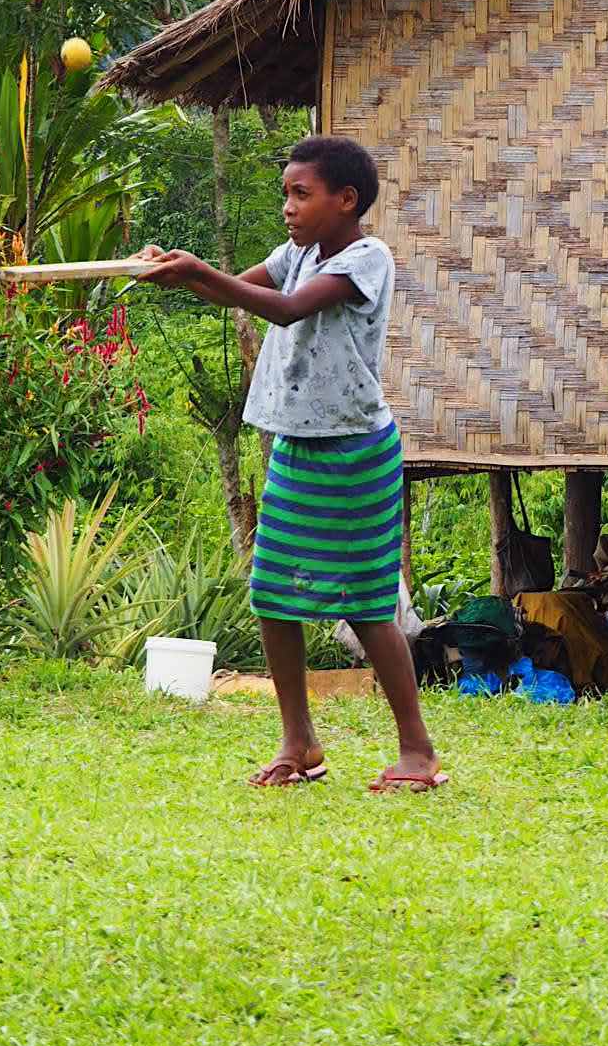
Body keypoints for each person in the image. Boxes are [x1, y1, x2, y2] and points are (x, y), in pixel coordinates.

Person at [133, 135, 444, 791]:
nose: (288, 207)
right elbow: (238, 292)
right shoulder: (297, 252)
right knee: (273, 594)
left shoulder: (367, 259)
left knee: (364, 603)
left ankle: (417, 751)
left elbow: (286, 308)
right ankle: (299, 741)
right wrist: (180, 272)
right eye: (286, 194)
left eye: (301, 194)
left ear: (346, 199)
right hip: (298, 444)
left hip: (355, 449)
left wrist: (197, 271)